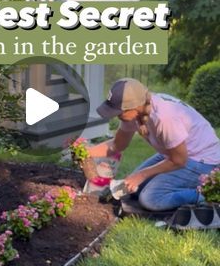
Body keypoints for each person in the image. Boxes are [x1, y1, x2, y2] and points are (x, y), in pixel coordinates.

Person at [88, 78, 220, 212]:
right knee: (131, 189)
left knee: (151, 199)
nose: (116, 116)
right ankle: (178, 185)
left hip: (203, 161)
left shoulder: (164, 117)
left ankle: (205, 194)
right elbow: (117, 145)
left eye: (118, 112)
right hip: (174, 154)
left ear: (134, 107)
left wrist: (141, 175)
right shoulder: (133, 114)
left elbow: (180, 160)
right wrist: (86, 152)